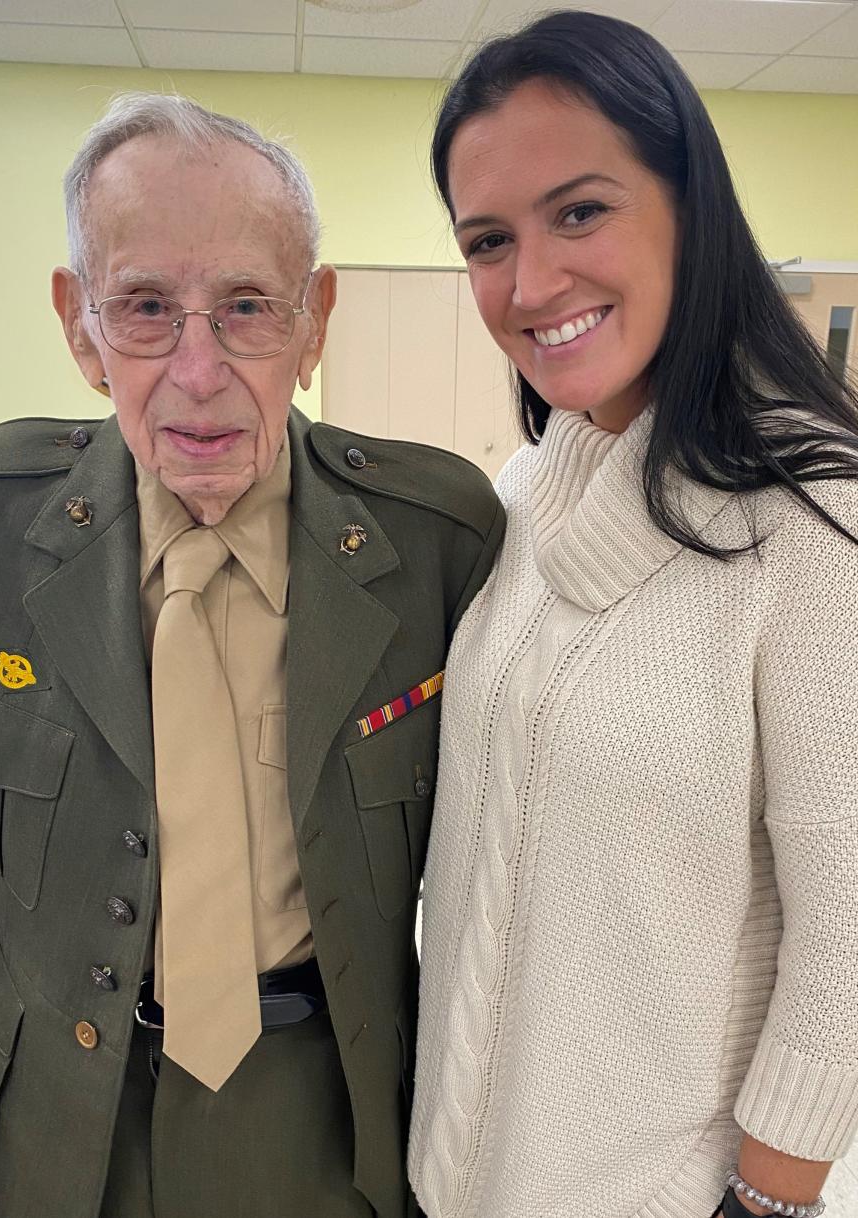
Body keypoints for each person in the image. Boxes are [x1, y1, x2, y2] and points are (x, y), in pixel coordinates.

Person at [0, 92, 503, 1218]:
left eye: (245, 306)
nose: (198, 368)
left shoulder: (439, 539)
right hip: (52, 1122)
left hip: (331, 1114)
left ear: (314, 320)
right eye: (143, 307)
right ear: (79, 326)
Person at [408, 12, 858, 1218]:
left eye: (581, 212)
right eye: (488, 239)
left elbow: (847, 937)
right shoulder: (519, 497)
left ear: (688, 206)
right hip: (465, 1175)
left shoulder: (811, 523)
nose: (532, 283)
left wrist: (764, 1201)